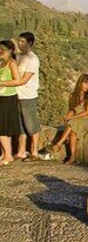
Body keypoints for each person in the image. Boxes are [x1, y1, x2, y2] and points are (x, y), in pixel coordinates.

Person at [52, 74, 88, 165]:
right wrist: (68, 115)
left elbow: (87, 112)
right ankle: (72, 157)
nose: (87, 86)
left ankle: (59, 144)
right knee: (73, 131)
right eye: (85, 83)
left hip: (87, 119)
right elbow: (72, 109)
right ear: (80, 83)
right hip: (76, 120)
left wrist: (72, 118)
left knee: (74, 123)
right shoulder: (72, 96)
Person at [15, 32, 41, 161]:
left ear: (30, 43)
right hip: (17, 95)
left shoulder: (32, 59)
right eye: (19, 41)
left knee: (31, 125)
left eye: (23, 42)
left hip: (28, 95)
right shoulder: (19, 57)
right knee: (21, 125)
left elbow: (23, 80)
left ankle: (34, 151)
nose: (20, 44)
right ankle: (21, 151)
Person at [0, 40, 22, 166]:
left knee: (3, 128)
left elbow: (17, 80)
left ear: (10, 51)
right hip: (2, 97)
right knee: (3, 128)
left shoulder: (11, 63)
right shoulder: (1, 63)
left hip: (8, 98)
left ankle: (8, 155)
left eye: (3, 50)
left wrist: (1, 83)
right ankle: (5, 154)